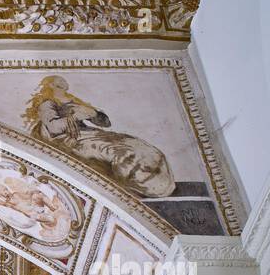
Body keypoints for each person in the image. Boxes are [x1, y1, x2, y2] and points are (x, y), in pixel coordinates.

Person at [24, 75, 175, 199]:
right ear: (49, 87)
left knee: (132, 143)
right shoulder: (47, 104)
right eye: (58, 84)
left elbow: (105, 123)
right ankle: (138, 186)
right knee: (118, 151)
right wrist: (75, 116)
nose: (63, 86)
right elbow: (54, 128)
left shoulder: (74, 101)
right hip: (68, 139)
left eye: (64, 84)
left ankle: (157, 184)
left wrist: (94, 114)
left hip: (88, 133)